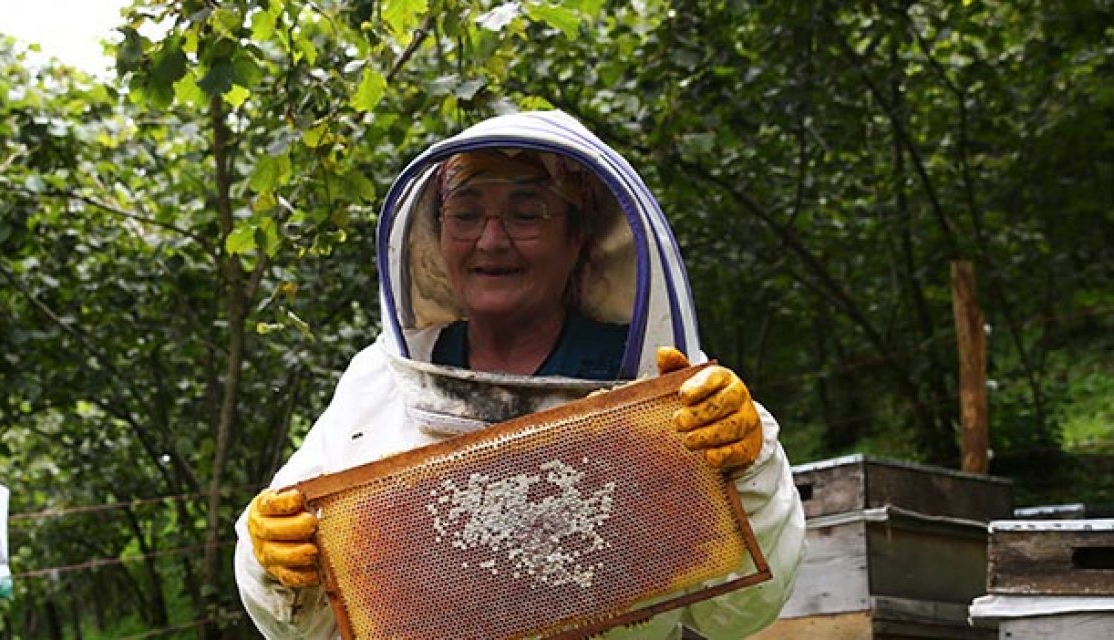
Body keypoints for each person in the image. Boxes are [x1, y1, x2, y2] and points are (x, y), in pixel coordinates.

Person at [234, 111, 805, 639]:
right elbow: (311, 627)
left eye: (526, 213)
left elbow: (736, 612)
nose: (490, 239)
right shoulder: (376, 386)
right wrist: (273, 567)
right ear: (436, 234)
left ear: (577, 237)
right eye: (465, 213)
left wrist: (749, 470)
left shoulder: (658, 387)